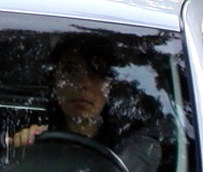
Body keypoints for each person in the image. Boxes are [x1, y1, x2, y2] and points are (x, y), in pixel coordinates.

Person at [9, 35, 161, 172]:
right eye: (70, 72)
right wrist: (26, 150)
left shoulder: (134, 146)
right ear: (55, 82)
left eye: (96, 72)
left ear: (110, 86)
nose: (83, 83)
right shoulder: (34, 133)